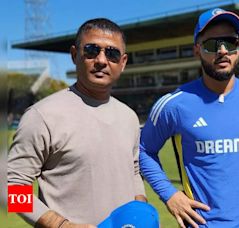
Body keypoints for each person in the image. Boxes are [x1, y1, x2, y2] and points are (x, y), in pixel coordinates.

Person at [139, 7, 239, 228]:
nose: (222, 51)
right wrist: (169, 194)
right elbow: (144, 150)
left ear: (238, 48)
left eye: (229, 43)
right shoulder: (174, 104)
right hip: (201, 224)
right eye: (212, 45)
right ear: (197, 50)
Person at [8, 18, 147, 227]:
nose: (101, 60)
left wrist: (141, 208)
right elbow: (12, 187)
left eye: (112, 53)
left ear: (123, 62)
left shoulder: (129, 117)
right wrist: (60, 224)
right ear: (75, 55)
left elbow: (134, 171)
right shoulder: (42, 116)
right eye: (92, 50)